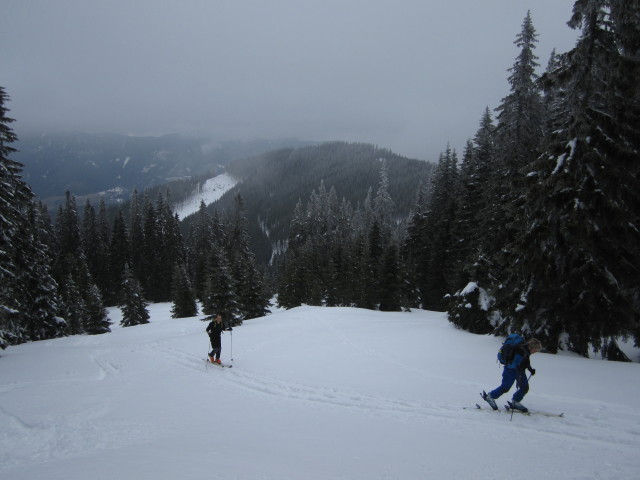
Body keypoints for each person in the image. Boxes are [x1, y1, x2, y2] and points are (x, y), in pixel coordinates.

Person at [482, 337, 542, 412]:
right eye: (535, 350)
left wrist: (530, 369)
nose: (535, 352)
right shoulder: (521, 350)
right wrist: (519, 367)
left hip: (520, 371)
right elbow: (515, 363)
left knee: (525, 387)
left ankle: (515, 402)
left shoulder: (527, 351)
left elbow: (526, 361)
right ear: (531, 347)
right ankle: (490, 396)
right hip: (510, 370)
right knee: (505, 387)